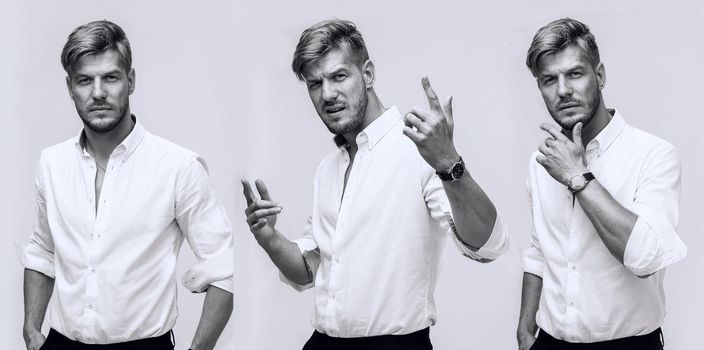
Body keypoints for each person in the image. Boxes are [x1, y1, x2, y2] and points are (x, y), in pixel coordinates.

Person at [242, 19, 508, 350]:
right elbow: (310, 271)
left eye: (339, 76)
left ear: (367, 74)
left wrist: (450, 166)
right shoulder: (328, 169)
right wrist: (269, 238)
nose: (327, 94)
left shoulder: (420, 151)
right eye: (315, 83)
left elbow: (488, 245)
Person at [19, 20, 233, 350]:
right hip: (62, 343)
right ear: (70, 87)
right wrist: (32, 330)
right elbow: (42, 252)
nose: (99, 92)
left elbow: (224, 267)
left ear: (130, 81)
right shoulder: (52, 163)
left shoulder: (178, 167)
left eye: (111, 77)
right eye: (85, 80)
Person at [516, 18, 687, 350]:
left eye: (575, 74)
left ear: (600, 75)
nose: (563, 90)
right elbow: (541, 247)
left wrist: (578, 177)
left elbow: (645, 260)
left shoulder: (654, 155)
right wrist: (525, 327)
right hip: (550, 343)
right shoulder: (540, 162)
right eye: (549, 80)